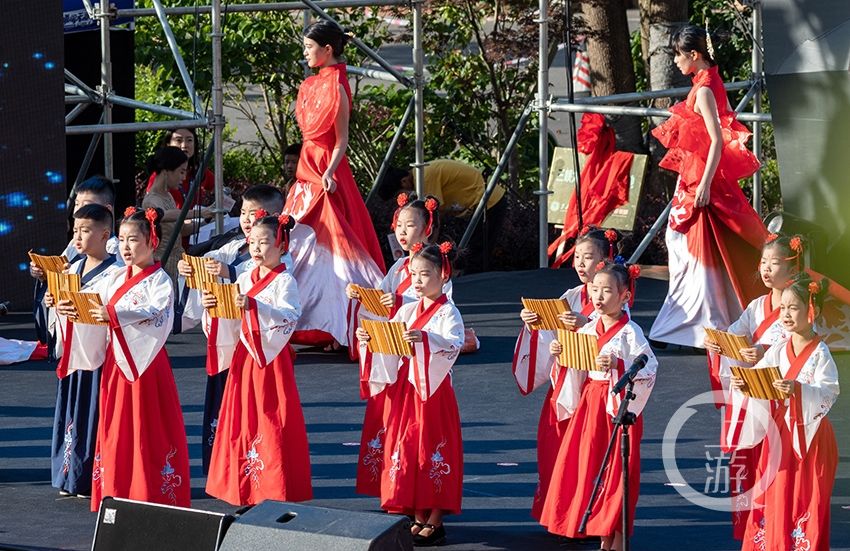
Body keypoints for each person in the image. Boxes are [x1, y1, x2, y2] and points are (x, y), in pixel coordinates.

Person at [648, 25, 767, 348]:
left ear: (694, 55)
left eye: (677, 54)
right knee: (699, 250)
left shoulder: (703, 90)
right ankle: (687, 325)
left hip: (699, 179)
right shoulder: (709, 82)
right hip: (699, 177)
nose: (675, 61)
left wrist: (703, 184)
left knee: (688, 250)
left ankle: (695, 327)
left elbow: (716, 140)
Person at [540, 261, 657, 551]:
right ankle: (596, 530)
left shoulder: (631, 332)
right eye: (595, 290)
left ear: (625, 296)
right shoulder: (589, 328)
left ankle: (614, 537)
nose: (599, 298)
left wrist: (619, 364)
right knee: (587, 464)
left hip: (617, 406)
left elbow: (650, 367)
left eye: (607, 291)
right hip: (591, 402)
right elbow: (573, 368)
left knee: (617, 470)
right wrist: (561, 354)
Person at [176, 184, 293, 474]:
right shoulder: (231, 248)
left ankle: (259, 469)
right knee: (226, 407)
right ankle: (225, 468)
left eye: (254, 214)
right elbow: (213, 270)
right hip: (231, 341)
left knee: (258, 411)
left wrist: (229, 276)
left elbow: (277, 304)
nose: (245, 219)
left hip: (260, 347)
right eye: (242, 212)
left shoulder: (283, 259)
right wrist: (195, 273)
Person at [284, 20, 385, 349]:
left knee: (336, 244)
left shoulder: (338, 86)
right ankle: (315, 321)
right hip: (307, 167)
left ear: (328, 49)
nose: (305, 52)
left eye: (309, 47)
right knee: (300, 240)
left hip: (327, 169)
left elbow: (341, 141)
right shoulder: (311, 84)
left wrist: (329, 171)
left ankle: (342, 322)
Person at [356, 242, 464, 546]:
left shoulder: (448, 312)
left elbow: (453, 344)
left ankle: (436, 518)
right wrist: (370, 338)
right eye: (414, 274)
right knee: (407, 446)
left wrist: (425, 337)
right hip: (406, 388)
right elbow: (390, 340)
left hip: (432, 390)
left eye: (425, 274)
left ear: (443, 275)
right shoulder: (406, 308)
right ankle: (417, 511)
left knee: (431, 447)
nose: (417, 280)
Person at [347, 193, 451, 497]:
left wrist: (400, 302)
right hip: (393, 359)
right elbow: (381, 306)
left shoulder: (438, 268)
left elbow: (440, 309)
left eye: (410, 225)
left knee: (418, 432)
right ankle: (395, 487)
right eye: (399, 225)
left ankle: (419, 493)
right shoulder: (397, 269)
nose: (403, 232)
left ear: (427, 228)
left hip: (423, 368)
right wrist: (366, 303)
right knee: (391, 425)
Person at [205, 214, 313, 506]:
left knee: (270, 420)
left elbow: (289, 316)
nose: (256, 248)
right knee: (242, 420)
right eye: (253, 242)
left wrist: (255, 305)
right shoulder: (244, 277)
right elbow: (231, 318)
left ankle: (272, 489)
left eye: (265, 242)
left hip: (270, 359)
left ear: (282, 246)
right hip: (246, 357)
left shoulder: (284, 281)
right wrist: (215, 307)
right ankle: (244, 491)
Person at [88, 207, 191, 511]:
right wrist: (69, 308)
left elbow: (157, 314)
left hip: (146, 365)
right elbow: (92, 301)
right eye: (121, 240)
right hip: (118, 364)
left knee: (148, 430)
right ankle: (118, 487)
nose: (126, 247)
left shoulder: (159, 281)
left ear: (152, 241)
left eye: (133, 239)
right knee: (118, 427)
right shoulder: (115, 276)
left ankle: (149, 490)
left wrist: (115, 314)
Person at [512, 227, 614, 519]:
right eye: (578, 257)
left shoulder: (614, 298)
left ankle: (583, 516)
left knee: (584, 456)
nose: (582, 264)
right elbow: (549, 336)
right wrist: (535, 325)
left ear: (604, 261)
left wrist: (586, 322)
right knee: (554, 451)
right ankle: (559, 513)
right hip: (565, 382)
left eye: (589, 257)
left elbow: (617, 335)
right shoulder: (570, 295)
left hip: (592, 389)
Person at [704, 233, 800, 539]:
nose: (767, 269)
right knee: (749, 462)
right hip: (753, 398)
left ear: (793, 268)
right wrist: (720, 343)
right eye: (764, 262)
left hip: (778, 396)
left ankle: (776, 523)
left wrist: (764, 351)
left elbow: (798, 344)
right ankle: (753, 529)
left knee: (774, 464)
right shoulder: (757, 305)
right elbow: (737, 333)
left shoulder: (801, 305)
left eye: (774, 263)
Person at [733, 274, 838, 551]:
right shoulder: (779, 348)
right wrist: (745, 383)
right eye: (784, 308)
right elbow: (761, 380)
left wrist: (798, 389)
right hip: (780, 434)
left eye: (794, 308)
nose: (786, 314)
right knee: (776, 491)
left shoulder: (820, 353)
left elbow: (828, 390)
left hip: (809, 435)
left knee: (807, 496)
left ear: (811, 310)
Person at [48, 204, 120, 497]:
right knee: (70, 415)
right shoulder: (73, 268)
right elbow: (58, 307)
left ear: (105, 234)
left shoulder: (117, 272)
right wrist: (58, 305)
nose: (78, 237)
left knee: (92, 417)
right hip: (73, 352)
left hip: (97, 355)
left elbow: (114, 310)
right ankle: (67, 474)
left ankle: (87, 477)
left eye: (86, 230)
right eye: (76, 230)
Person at [31, 176, 119, 346]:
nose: (77, 210)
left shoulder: (117, 252)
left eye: (86, 205)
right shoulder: (74, 246)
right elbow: (61, 272)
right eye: (77, 204)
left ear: (107, 209)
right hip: (74, 333)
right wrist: (45, 277)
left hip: (99, 334)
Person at [380, 159, 507, 272]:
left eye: (401, 194)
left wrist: (427, 252)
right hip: (475, 207)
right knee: (469, 251)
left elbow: (432, 218)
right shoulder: (422, 174)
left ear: (404, 182)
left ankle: (475, 288)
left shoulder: (424, 177)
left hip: (489, 202)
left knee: (476, 252)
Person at [142, 146, 213, 282]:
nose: (184, 177)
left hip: (179, 261)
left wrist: (207, 220)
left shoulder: (168, 195)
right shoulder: (151, 200)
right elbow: (164, 215)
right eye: (181, 172)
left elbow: (181, 230)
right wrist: (200, 213)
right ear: (166, 171)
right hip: (163, 263)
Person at [145, 127, 215, 209]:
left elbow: (219, 189)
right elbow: (155, 210)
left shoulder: (200, 170)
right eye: (178, 140)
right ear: (168, 144)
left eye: (189, 140)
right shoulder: (158, 175)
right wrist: (202, 213)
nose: (184, 145)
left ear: (195, 144)